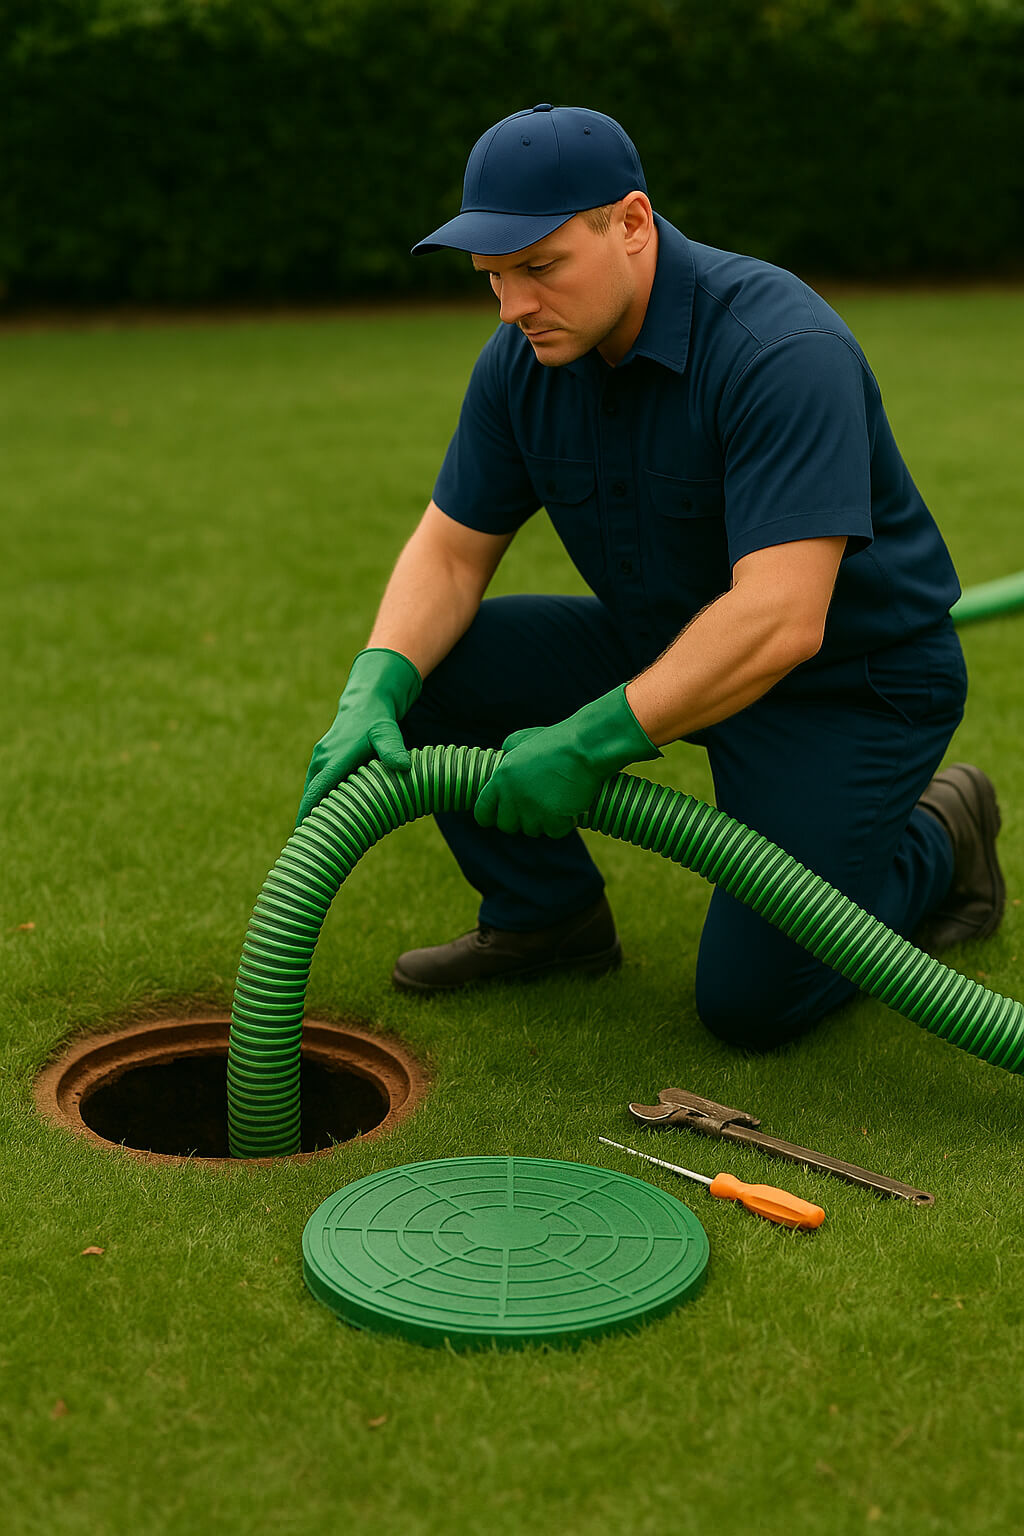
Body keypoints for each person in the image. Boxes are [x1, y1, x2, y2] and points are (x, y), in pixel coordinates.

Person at [296, 104, 1005, 1051]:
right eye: (492, 278)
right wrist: (374, 679)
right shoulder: (524, 360)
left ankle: (940, 837)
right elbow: (452, 548)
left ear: (630, 224)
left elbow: (782, 618)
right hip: (662, 639)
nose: (512, 308)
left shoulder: (780, 352)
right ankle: (546, 919)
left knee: (752, 1005)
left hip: (847, 686)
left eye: (539, 269)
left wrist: (589, 744)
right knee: (434, 672)